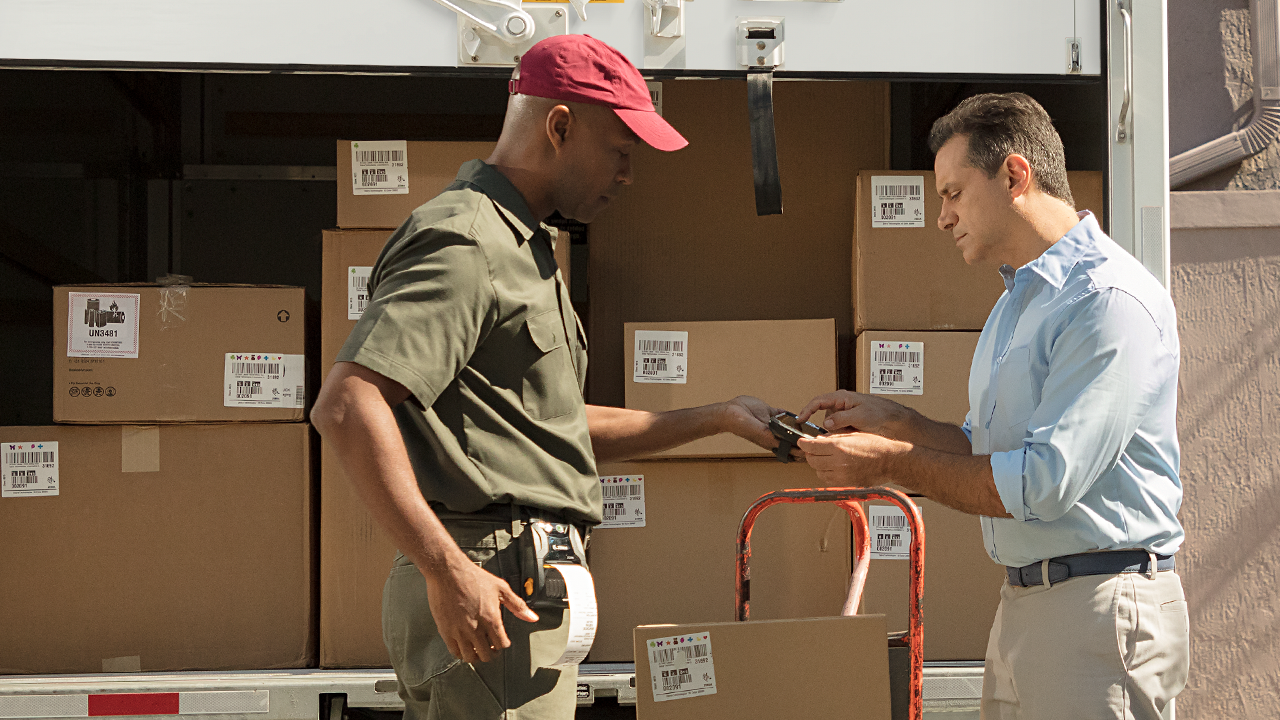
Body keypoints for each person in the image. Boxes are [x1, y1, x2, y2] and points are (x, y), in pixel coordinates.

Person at [311, 35, 784, 720]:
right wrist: (449, 572)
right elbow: (349, 405)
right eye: (621, 152)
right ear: (559, 127)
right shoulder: (469, 240)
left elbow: (550, 428)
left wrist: (716, 417)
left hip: (517, 577)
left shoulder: (523, 245)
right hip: (488, 575)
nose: (628, 175)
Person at [795, 93, 1188, 720]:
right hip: (1029, 604)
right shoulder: (1016, 303)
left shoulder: (1107, 301)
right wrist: (898, 424)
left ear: (1013, 176)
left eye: (953, 193)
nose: (942, 218)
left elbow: (1041, 483)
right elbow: (990, 450)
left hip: (1098, 606)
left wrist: (889, 461)